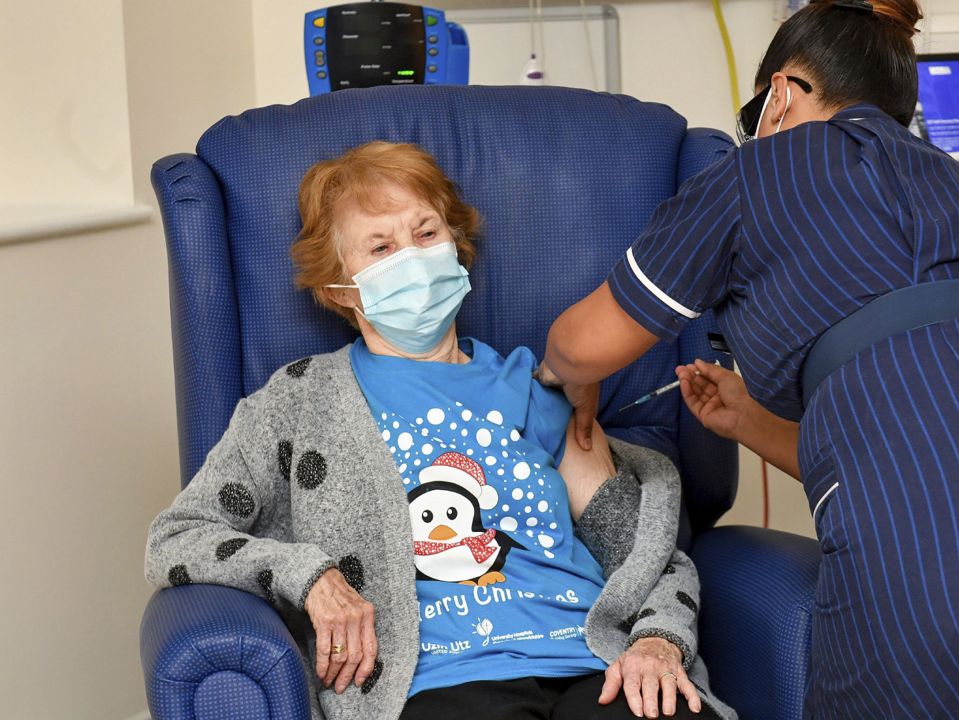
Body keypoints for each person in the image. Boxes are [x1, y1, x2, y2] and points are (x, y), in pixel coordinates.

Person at [538, 1, 959, 718]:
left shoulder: (759, 170)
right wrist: (747, 421)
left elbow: (583, 345)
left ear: (782, 94)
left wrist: (550, 378)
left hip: (938, 513)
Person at [145, 141, 735, 720]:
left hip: (594, 663)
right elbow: (177, 538)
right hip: (440, 681)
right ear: (336, 288)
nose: (413, 258)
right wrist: (310, 577)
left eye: (427, 234)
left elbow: (644, 555)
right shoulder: (297, 403)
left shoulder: (537, 389)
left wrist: (658, 641)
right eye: (380, 247)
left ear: (456, 246)